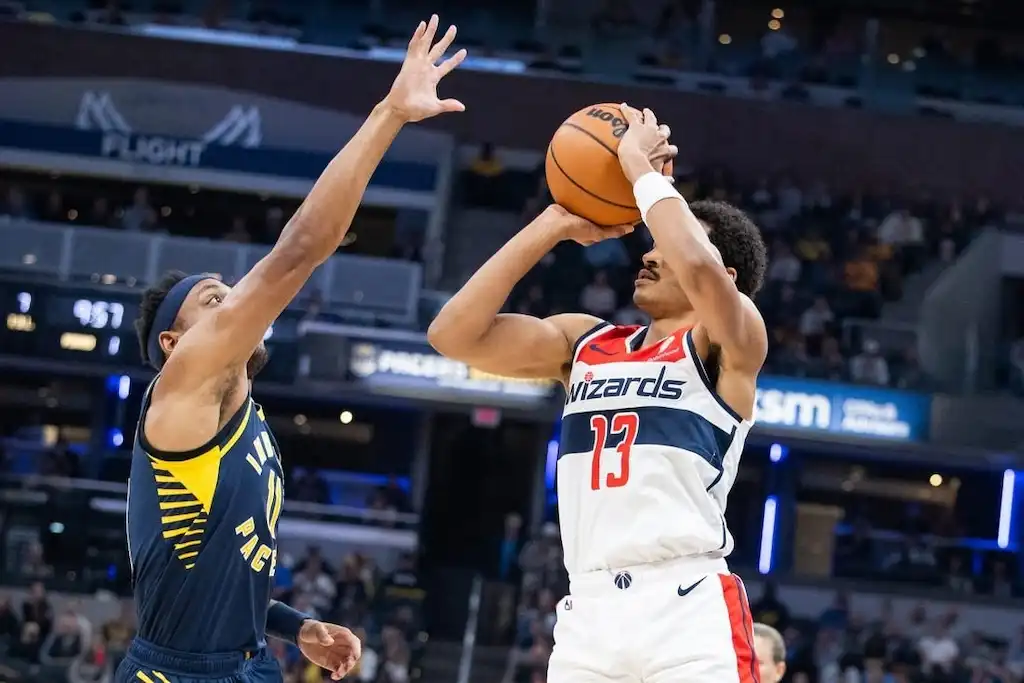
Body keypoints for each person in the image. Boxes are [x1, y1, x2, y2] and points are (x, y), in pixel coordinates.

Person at [117, 15, 466, 683]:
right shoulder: (184, 381)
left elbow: (223, 575)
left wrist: (293, 625)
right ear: (174, 339)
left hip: (245, 661)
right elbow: (300, 250)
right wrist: (390, 113)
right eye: (216, 300)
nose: (237, 304)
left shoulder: (243, 414)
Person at [428, 104, 768, 683]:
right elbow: (452, 334)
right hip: (588, 610)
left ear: (727, 276)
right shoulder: (584, 341)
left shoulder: (730, 339)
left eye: (664, 243)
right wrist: (552, 224)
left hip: (685, 605)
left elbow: (698, 266)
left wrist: (640, 170)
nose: (649, 251)